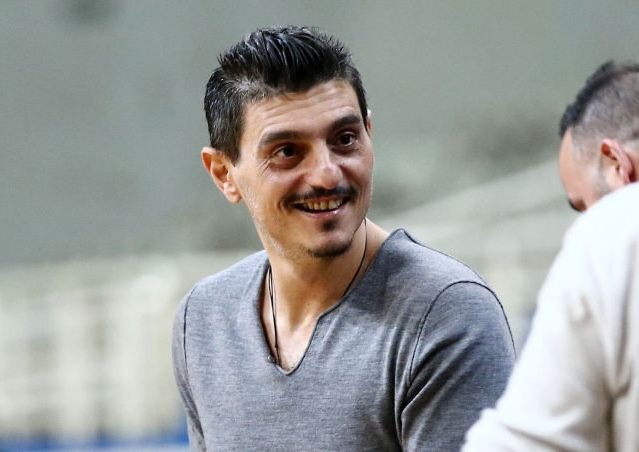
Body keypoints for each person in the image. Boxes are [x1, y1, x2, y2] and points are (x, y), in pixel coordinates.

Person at [172, 25, 515, 451]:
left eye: (345, 139)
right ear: (224, 174)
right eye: (287, 151)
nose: (327, 174)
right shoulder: (203, 320)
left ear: (369, 133)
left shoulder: (446, 315)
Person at [463, 61, 639, 451]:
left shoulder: (614, 228)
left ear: (617, 166)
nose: (585, 220)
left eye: (582, 206)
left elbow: (524, 443)